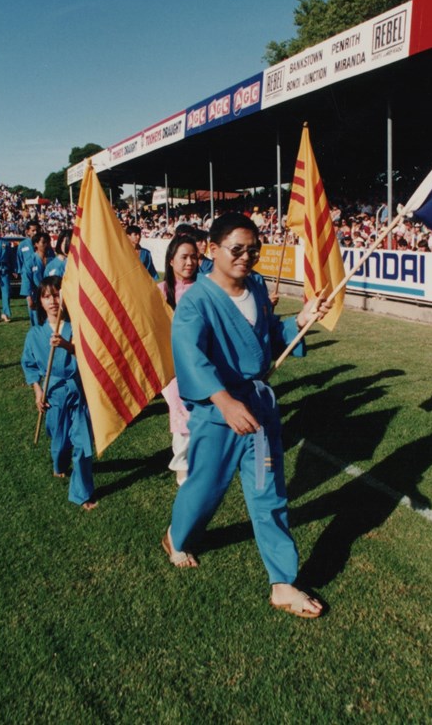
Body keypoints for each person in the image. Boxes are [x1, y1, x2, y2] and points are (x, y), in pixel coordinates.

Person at [162, 212, 330, 619]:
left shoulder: (255, 286)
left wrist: (300, 321)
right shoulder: (196, 302)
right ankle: (176, 537)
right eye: (236, 249)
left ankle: (282, 582)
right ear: (212, 249)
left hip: (257, 415)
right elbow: (190, 356)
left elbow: (270, 337)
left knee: (266, 492)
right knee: (204, 488)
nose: (246, 257)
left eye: (253, 250)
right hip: (217, 416)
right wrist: (223, 401)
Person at [21, 277, 97, 510]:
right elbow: (30, 365)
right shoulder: (35, 334)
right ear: (40, 302)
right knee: (60, 441)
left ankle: (82, 493)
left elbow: (88, 356)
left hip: (77, 391)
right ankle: (60, 464)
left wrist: (66, 345)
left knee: (82, 443)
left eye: (56, 295)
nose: (53, 301)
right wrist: (38, 392)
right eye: (47, 296)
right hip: (53, 393)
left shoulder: (76, 328)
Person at [157, 235, 199, 485]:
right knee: (181, 413)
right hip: (171, 367)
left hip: (201, 364)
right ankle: (182, 468)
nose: (190, 262)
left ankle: (199, 461)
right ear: (171, 260)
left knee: (199, 415)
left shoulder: (206, 289)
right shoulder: (159, 292)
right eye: (184, 257)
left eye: (194, 257)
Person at [22, 231, 53, 325]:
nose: (46, 245)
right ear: (36, 244)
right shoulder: (30, 261)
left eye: (47, 242)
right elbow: (26, 280)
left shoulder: (52, 260)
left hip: (50, 295)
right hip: (35, 296)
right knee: (37, 322)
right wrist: (29, 298)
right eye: (43, 242)